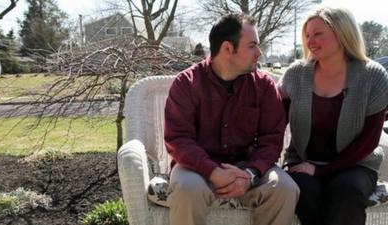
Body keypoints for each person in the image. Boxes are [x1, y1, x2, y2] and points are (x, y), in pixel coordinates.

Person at [164, 13, 299, 225]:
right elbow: (178, 140)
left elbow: (271, 141)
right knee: (188, 189)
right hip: (196, 167)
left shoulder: (263, 86)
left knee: (285, 188)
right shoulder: (186, 84)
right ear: (228, 48)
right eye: (252, 45)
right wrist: (213, 171)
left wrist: (250, 174)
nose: (259, 53)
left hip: (247, 166)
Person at [278, 6, 388, 225]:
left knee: (346, 192)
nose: (310, 41)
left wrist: (322, 170)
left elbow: (369, 142)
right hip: (302, 162)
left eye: (318, 34)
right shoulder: (296, 74)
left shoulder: (373, 76)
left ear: (342, 33)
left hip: (356, 164)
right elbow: (274, 123)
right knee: (304, 193)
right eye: (307, 35)